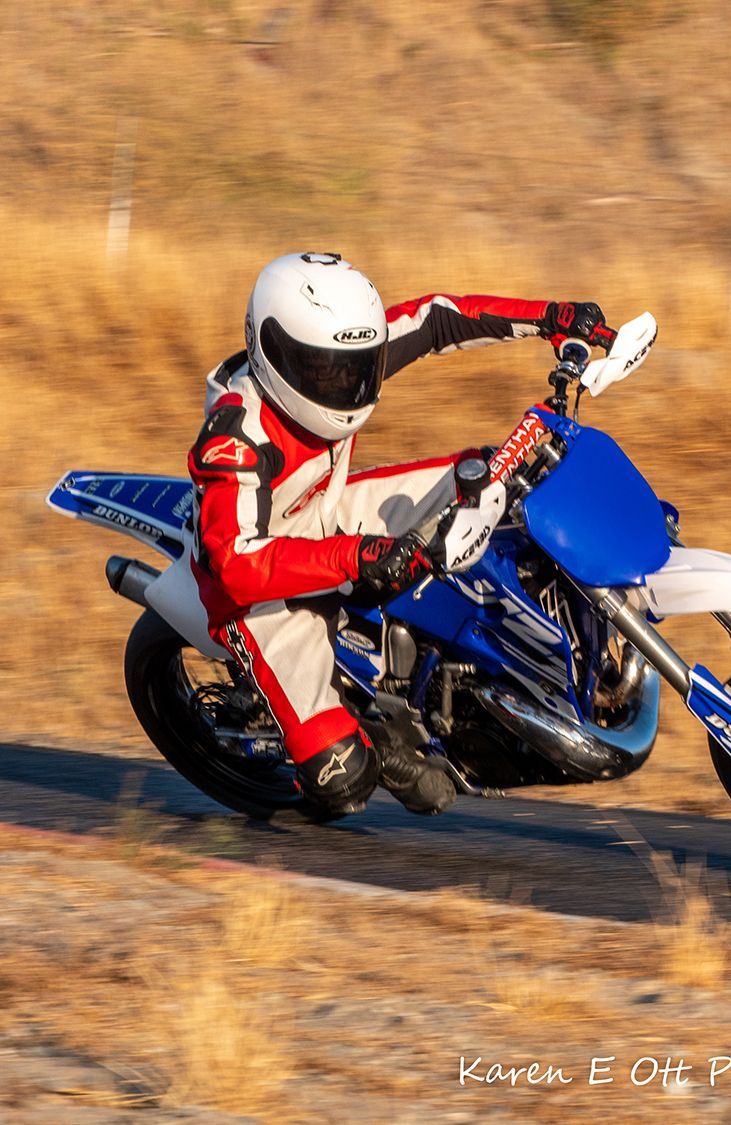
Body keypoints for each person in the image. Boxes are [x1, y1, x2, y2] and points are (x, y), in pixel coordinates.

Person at [187, 251, 614, 817]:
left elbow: (436, 320)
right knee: (343, 784)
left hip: (330, 516)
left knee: (505, 475)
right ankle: (379, 742)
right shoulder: (234, 438)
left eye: (357, 367)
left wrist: (549, 316)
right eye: (324, 370)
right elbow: (236, 564)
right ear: (274, 353)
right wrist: (358, 556)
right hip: (262, 595)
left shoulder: (337, 347)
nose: (344, 381)